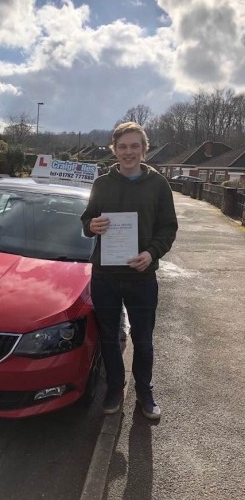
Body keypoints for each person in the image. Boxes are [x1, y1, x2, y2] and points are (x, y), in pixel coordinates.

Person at [81, 122, 178, 419]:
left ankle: (144, 392)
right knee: (109, 337)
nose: (128, 152)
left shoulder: (158, 184)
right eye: (122, 146)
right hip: (105, 277)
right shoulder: (102, 183)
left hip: (142, 278)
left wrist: (151, 253)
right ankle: (115, 387)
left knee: (144, 339)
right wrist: (91, 226)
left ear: (144, 149)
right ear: (114, 150)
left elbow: (168, 228)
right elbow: (87, 221)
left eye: (135, 146)